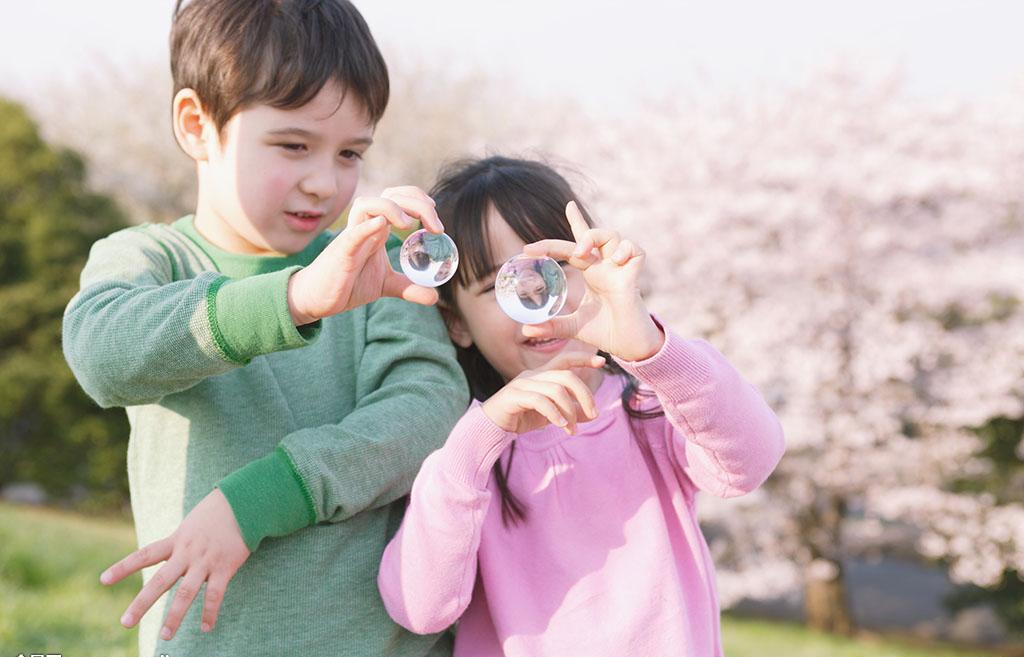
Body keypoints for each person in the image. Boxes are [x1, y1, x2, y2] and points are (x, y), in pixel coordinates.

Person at [61, 1, 468, 655]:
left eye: (350, 154)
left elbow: (427, 414)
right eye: (293, 145)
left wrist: (265, 495)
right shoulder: (149, 258)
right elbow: (100, 353)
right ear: (197, 125)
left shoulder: (378, 269)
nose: (324, 182)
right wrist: (297, 298)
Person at [377, 156, 786, 657]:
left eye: (553, 270)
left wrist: (649, 348)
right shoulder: (463, 451)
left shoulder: (651, 408)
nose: (535, 297)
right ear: (457, 323)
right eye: (495, 287)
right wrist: (477, 442)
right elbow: (420, 608)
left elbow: (751, 459)